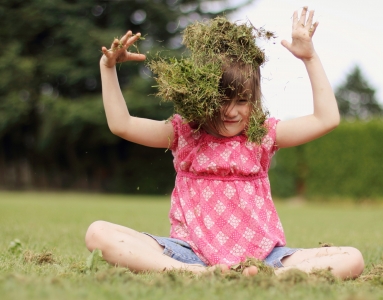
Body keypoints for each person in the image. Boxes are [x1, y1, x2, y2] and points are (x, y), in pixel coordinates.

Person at [85, 7, 364, 279]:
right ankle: (192, 274)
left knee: (352, 257)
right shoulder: (184, 133)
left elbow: (327, 119)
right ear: (202, 94)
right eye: (222, 100)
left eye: (242, 101)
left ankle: (275, 278)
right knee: (97, 232)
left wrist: (310, 57)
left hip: (265, 257)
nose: (232, 112)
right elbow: (122, 125)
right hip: (189, 254)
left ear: (253, 100)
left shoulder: (261, 135)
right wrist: (107, 67)